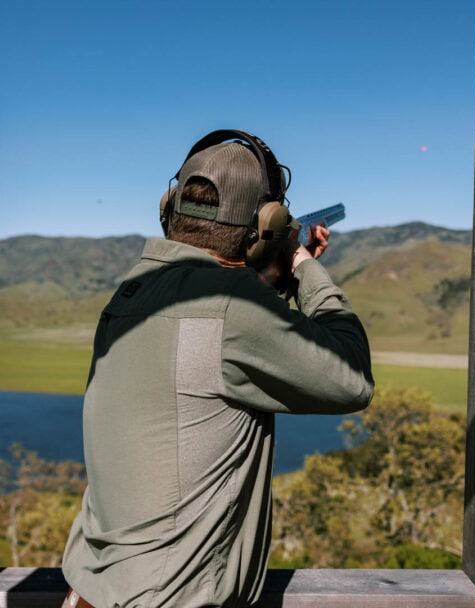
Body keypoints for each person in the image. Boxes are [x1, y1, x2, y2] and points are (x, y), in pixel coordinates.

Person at [61, 130, 374, 608]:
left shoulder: (130, 293)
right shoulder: (233, 311)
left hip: (90, 592)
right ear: (267, 224)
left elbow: (217, 342)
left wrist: (271, 280)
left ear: (170, 206)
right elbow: (351, 379)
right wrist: (304, 265)